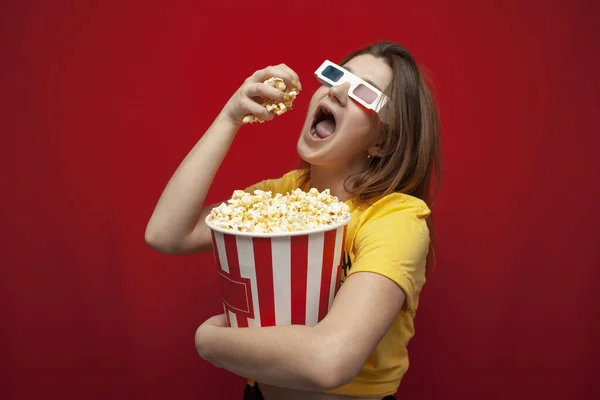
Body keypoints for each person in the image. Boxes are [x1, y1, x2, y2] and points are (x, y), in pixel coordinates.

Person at [145, 41, 442, 400]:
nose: (338, 90)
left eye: (364, 92)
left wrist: (209, 340)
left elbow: (329, 360)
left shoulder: (395, 218)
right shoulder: (281, 198)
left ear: (383, 143)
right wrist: (230, 116)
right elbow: (167, 233)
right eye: (336, 75)